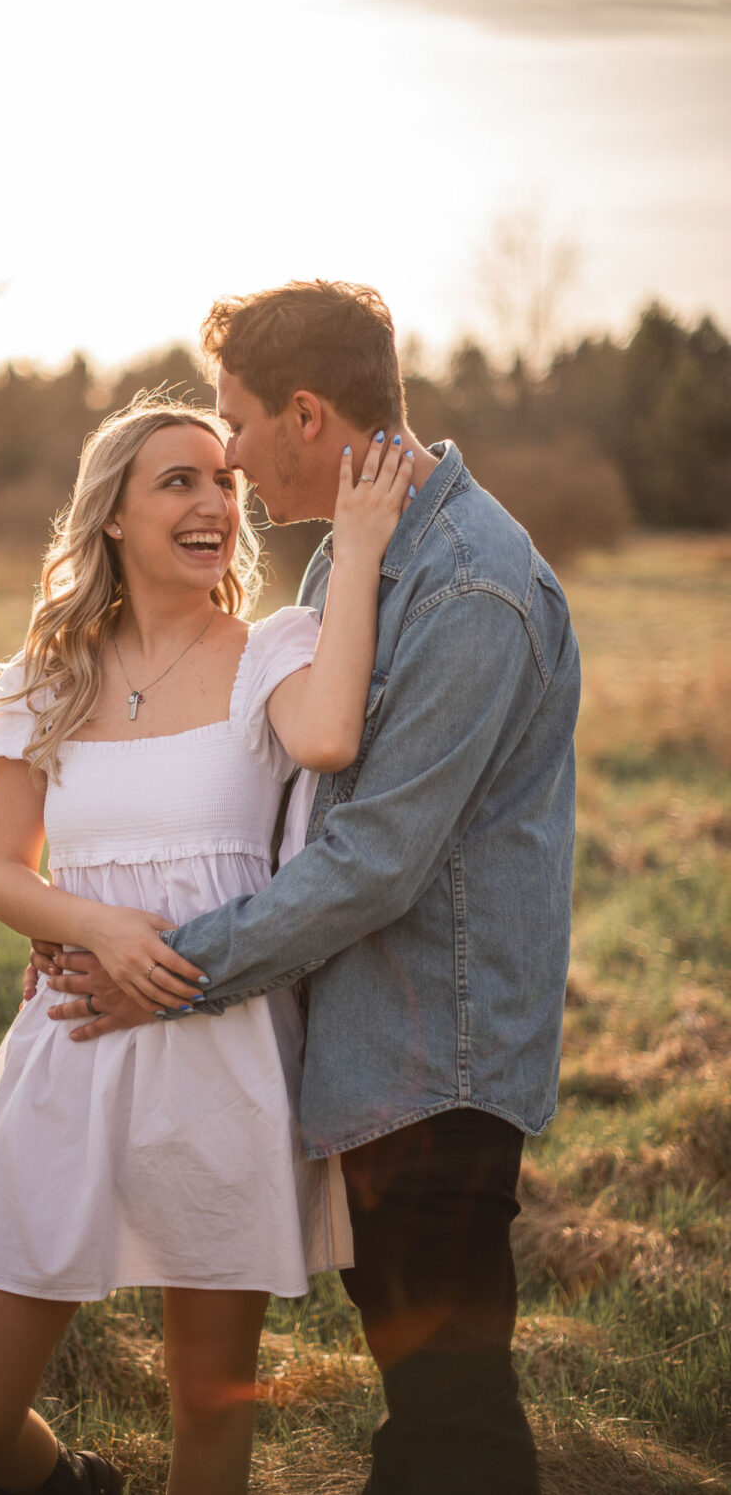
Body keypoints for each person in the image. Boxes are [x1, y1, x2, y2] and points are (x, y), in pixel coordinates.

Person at [33, 281, 582, 1494]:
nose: (223, 455)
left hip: (435, 1063)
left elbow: (371, 862)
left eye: (232, 421)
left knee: (451, 1426)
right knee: (430, 1405)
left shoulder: (469, 591)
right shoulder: (355, 550)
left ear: (306, 412)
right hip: (370, 1050)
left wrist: (169, 971)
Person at [0, 393, 416, 1495]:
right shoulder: (41, 675)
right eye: (177, 481)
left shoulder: (271, 649)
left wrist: (363, 546)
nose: (213, 501)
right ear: (111, 515)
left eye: (223, 479)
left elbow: (330, 736)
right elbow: (2, 870)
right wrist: (92, 919)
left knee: (207, 1406)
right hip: (72, 1040)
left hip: (222, 1050)